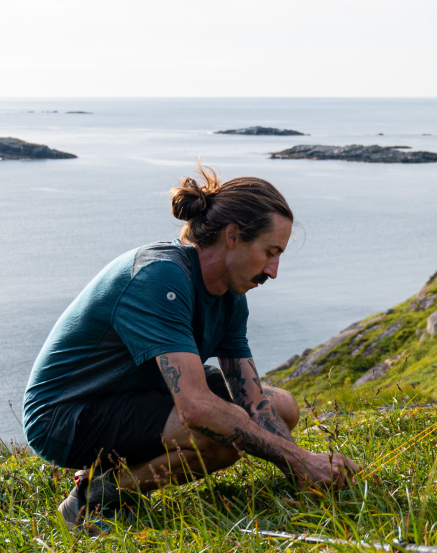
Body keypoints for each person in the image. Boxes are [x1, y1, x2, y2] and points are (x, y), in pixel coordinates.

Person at [22, 165, 360, 533]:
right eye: (269, 252)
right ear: (232, 236)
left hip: (136, 394)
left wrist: (299, 469)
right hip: (65, 417)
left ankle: (117, 469)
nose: (274, 270)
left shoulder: (231, 296)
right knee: (221, 439)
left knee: (282, 407)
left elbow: (251, 398)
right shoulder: (160, 278)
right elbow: (196, 408)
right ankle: (97, 494)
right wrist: (299, 457)